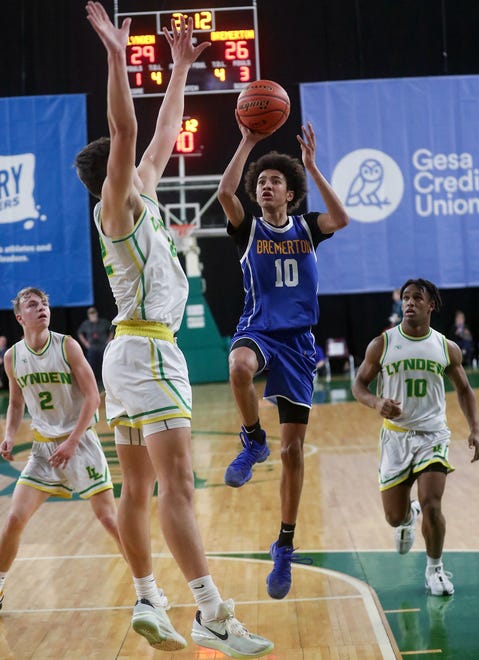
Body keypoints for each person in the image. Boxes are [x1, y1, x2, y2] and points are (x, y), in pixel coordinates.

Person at [75, 3, 273, 656]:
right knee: (178, 485)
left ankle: (147, 597)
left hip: (129, 357)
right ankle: (211, 612)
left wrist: (182, 66)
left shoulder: (146, 195)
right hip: (148, 353)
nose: (142, 161)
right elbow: (127, 129)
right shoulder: (117, 205)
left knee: (137, 488)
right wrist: (114, 55)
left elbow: (158, 136)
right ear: (112, 175)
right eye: (126, 163)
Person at [217, 115, 349, 600]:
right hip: (258, 330)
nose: (266, 185)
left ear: (289, 193)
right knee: (238, 367)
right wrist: (248, 140)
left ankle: (285, 545)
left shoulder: (309, 228)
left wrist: (312, 168)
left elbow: (342, 218)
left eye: (275, 180)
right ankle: (253, 440)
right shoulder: (247, 228)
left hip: (297, 343)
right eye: (261, 182)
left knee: (294, 452)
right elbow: (226, 195)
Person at [352, 278, 479, 596]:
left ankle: (435, 570)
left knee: (433, 504)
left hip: (432, 435)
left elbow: (465, 389)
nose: (409, 302)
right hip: (395, 438)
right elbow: (358, 386)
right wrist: (376, 402)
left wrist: (476, 429)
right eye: (406, 298)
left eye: (417, 298)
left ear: (430, 305)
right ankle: (408, 516)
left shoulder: (444, 347)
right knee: (394, 517)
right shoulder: (382, 344)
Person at [0, 287, 122, 610]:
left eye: (44, 304)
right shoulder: (12, 357)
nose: (41, 308)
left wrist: (70, 442)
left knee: (109, 519)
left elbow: (94, 397)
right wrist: (10, 434)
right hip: (43, 451)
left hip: (79, 443)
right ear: (18, 316)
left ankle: (148, 586)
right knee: (14, 518)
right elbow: (14, 403)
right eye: (32, 304)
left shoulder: (67, 346)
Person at [77, 306, 113, 383]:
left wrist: (109, 340)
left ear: (96, 313)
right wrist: (85, 343)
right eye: (91, 313)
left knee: (105, 364)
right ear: (88, 315)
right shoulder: (86, 324)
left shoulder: (103, 322)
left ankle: (106, 380)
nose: (92, 315)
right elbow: (80, 333)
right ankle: (91, 381)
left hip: (102, 347)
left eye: (94, 313)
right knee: (90, 365)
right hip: (92, 348)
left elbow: (112, 330)